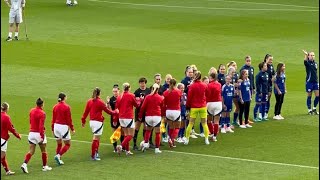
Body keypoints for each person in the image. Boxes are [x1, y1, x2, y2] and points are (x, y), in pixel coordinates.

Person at [81, 87, 117, 160]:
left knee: (97, 138)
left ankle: (96, 153)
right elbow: (108, 111)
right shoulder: (100, 102)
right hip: (98, 123)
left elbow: (85, 112)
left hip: (91, 122)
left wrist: (83, 121)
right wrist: (116, 112)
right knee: (96, 138)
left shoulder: (89, 101)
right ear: (99, 93)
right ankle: (93, 155)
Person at [21, 98, 52, 173]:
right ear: (42, 104)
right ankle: (44, 166)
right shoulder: (42, 113)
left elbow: (30, 121)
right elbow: (41, 126)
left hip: (31, 133)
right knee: (43, 150)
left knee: (31, 151)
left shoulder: (31, 110)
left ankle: (24, 164)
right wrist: (42, 136)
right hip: (38, 134)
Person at [184, 71, 210, 145]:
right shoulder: (204, 85)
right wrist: (204, 100)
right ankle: (206, 139)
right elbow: (208, 94)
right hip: (202, 106)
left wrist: (188, 106)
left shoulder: (192, 86)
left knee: (191, 123)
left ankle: (187, 139)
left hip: (194, 107)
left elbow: (189, 97)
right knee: (204, 123)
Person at [139, 83, 164, 153]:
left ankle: (146, 144)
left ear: (152, 88)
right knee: (157, 133)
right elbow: (162, 107)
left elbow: (143, 107)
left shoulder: (147, 97)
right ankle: (157, 149)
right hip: (157, 116)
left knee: (148, 130)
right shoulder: (161, 98)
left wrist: (140, 116)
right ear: (158, 89)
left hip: (148, 117)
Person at [116, 83, 139, 156]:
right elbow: (136, 105)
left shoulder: (120, 96)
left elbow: (117, 106)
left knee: (126, 134)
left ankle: (127, 151)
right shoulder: (131, 95)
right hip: (128, 117)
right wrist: (139, 100)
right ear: (129, 88)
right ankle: (121, 146)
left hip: (121, 118)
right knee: (131, 135)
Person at [52, 93, 75, 165]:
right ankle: (58, 156)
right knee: (67, 144)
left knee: (59, 144)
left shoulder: (55, 107)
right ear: (64, 98)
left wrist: (52, 128)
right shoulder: (67, 107)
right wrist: (72, 128)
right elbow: (69, 119)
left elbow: (53, 119)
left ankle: (58, 159)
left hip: (56, 126)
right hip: (63, 127)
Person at [1, 102, 21, 175]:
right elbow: (11, 129)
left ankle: (7, 171)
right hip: (2, 139)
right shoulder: (6, 117)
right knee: (2, 156)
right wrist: (18, 135)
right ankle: (7, 171)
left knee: (2, 157)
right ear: (7, 109)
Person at [133, 77, 151, 150]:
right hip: (139, 111)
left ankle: (145, 143)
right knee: (137, 127)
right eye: (140, 83)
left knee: (145, 127)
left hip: (146, 111)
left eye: (143, 83)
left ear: (145, 83)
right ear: (139, 83)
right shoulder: (137, 92)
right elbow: (134, 101)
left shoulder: (148, 91)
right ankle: (134, 144)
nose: (142, 84)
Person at [163, 79, 182, 148]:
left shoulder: (165, 93)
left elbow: (164, 104)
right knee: (177, 127)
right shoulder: (178, 92)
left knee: (171, 127)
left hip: (168, 111)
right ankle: (171, 139)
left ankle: (172, 143)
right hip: (176, 111)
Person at [106, 84, 124, 152]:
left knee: (122, 133)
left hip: (122, 117)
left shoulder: (122, 98)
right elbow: (108, 109)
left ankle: (122, 147)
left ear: (119, 91)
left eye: (116, 91)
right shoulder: (111, 99)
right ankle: (115, 148)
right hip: (114, 118)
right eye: (114, 91)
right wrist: (107, 103)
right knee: (114, 133)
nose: (115, 93)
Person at [206, 69, 222, 141]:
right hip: (218, 103)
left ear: (211, 77)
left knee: (209, 120)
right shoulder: (219, 84)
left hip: (210, 103)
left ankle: (211, 133)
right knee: (216, 121)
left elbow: (207, 95)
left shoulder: (208, 85)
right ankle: (215, 136)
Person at [303, 50, 319, 115]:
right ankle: (309, 110)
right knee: (309, 96)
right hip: (309, 82)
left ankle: (314, 108)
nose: (312, 56)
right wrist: (306, 55)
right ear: (308, 56)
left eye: (313, 55)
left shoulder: (316, 64)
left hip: (315, 82)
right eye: (311, 55)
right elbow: (304, 61)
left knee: (318, 96)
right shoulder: (307, 63)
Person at [227, 61, 240, 126]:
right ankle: (225, 123)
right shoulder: (226, 78)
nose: (233, 74)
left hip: (234, 95)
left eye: (234, 72)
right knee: (227, 110)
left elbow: (237, 84)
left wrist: (237, 85)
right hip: (228, 96)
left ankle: (234, 121)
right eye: (232, 72)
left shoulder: (235, 76)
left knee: (237, 107)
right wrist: (233, 85)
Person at [263, 54, 275, 119]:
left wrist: (273, 78)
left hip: (270, 85)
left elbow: (273, 73)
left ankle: (266, 113)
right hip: (264, 86)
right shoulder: (264, 66)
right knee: (264, 100)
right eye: (270, 59)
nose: (271, 61)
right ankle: (262, 113)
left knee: (268, 100)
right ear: (266, 59)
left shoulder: (271, 66)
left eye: (272, 60)